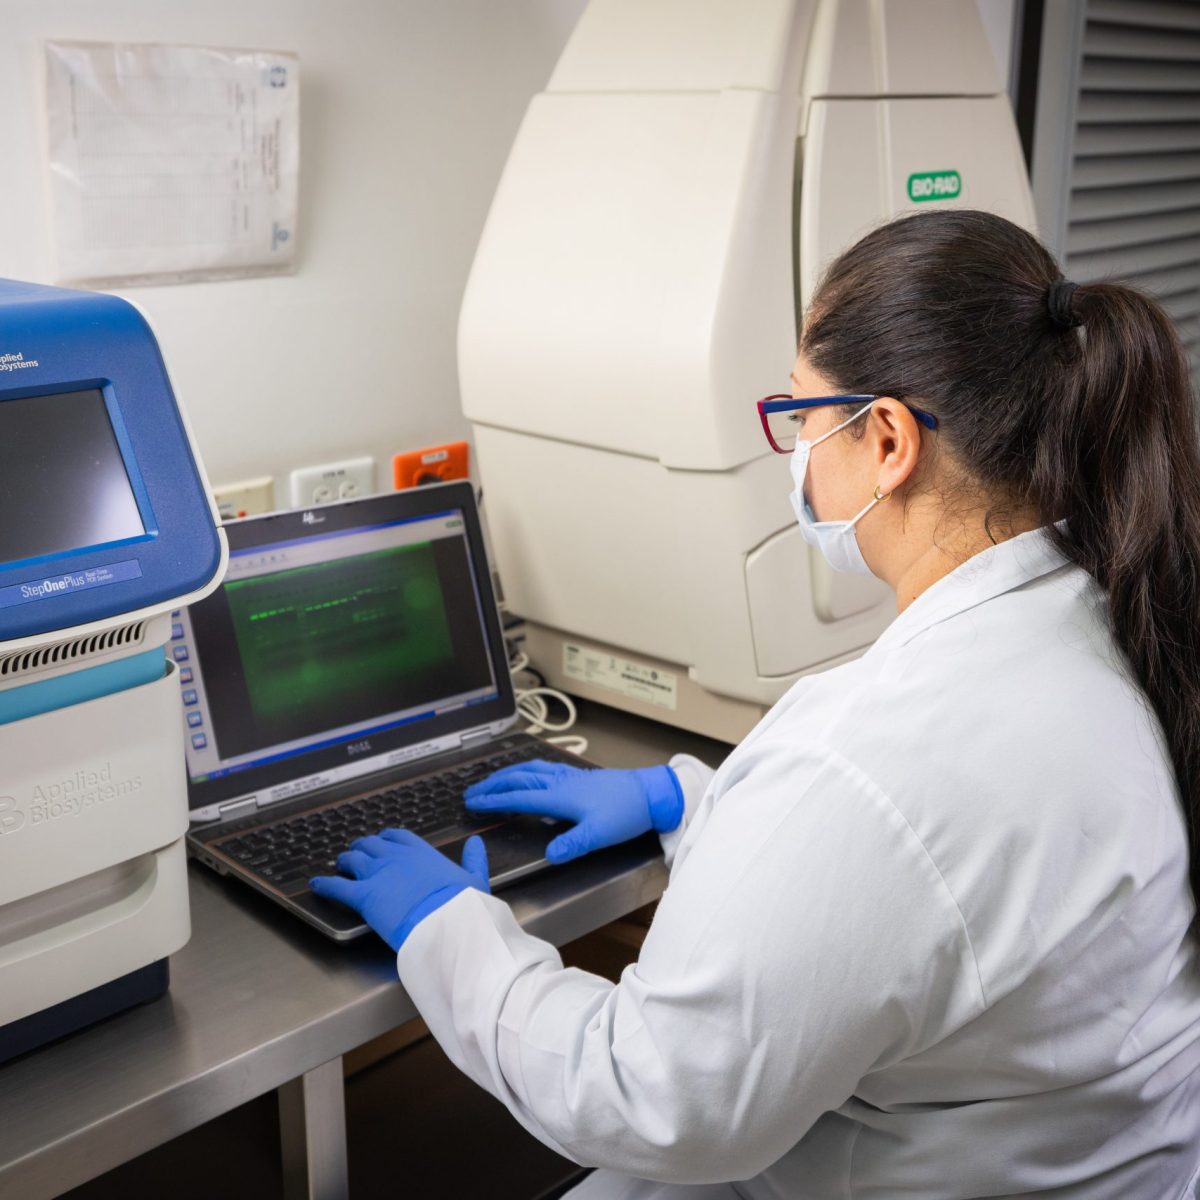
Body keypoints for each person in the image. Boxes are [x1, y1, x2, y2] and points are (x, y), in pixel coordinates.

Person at [310, 210, 1200, 1198]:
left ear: (890, 440)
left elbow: (649, 1100)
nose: (797, 453)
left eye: (803, 418)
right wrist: (692, 803)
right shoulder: (1122, 613)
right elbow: (924, 898)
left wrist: (450, 931)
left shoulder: (872, 759)